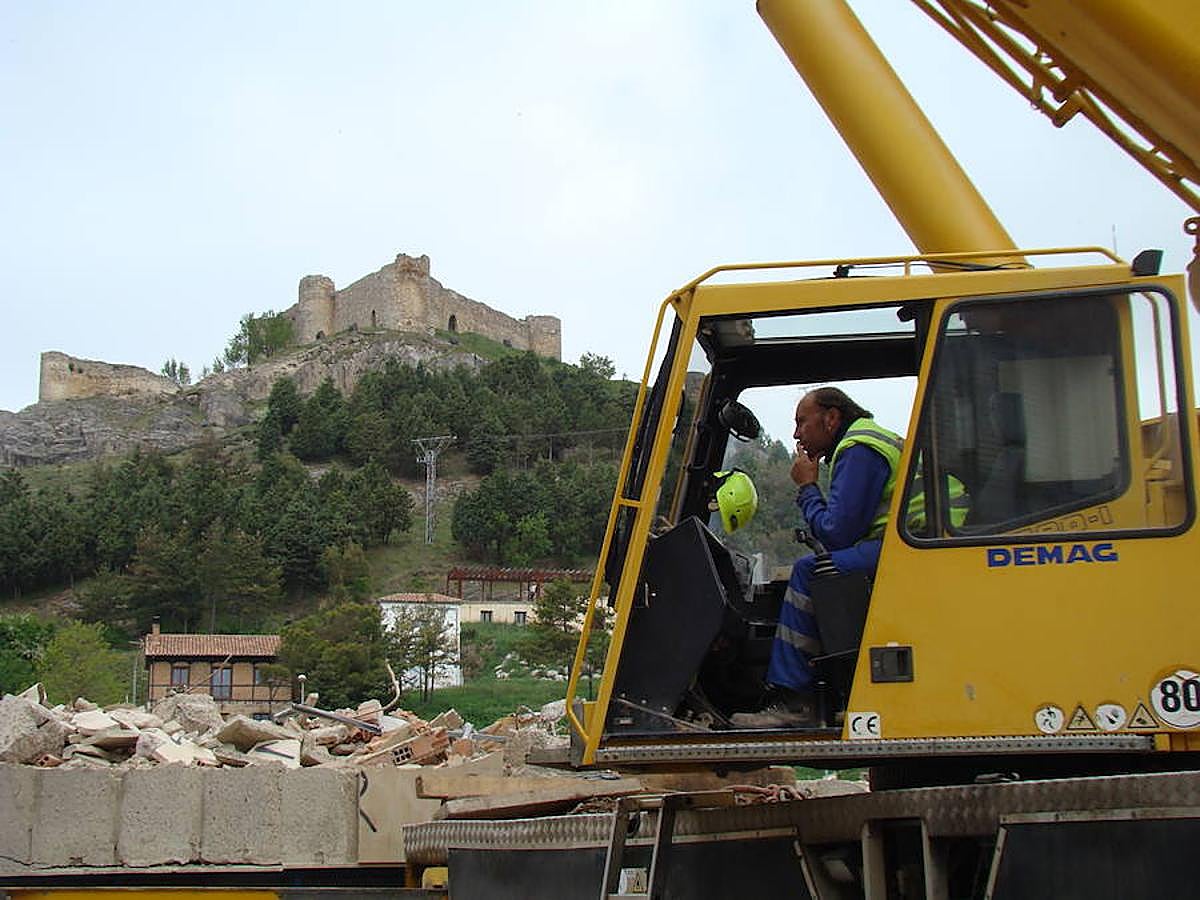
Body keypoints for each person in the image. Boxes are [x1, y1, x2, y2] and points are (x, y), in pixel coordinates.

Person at [731, 387, 902, 728]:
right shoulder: (868, 441)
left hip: (907, 546)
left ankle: (795, 702)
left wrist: (808, 487)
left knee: (811, 572)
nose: (796, 433)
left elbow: (836, 534)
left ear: (831, 418)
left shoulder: (859, 449)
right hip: (910, 541)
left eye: (801, 422)